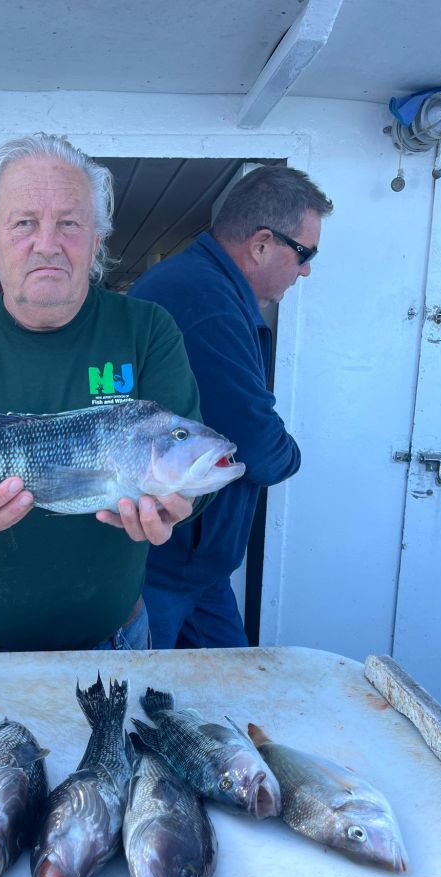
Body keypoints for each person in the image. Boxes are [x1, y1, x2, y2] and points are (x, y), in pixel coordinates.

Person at [0, 132, 203, 654]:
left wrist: (180, 503)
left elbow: (191, 468)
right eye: (25, 222)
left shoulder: (149, 330)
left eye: (70, 223)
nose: (48, 243)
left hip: (117, 641)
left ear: (97, 240)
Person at [129, 165, 333, 649]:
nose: (306, 270)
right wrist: (292, 453)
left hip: (196, 564)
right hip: (163, 565)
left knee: (229, 697)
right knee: (144, 708)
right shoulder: (205, 300)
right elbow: (260, 449)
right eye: (304, 254)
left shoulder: (207, 288)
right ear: (262, 244)